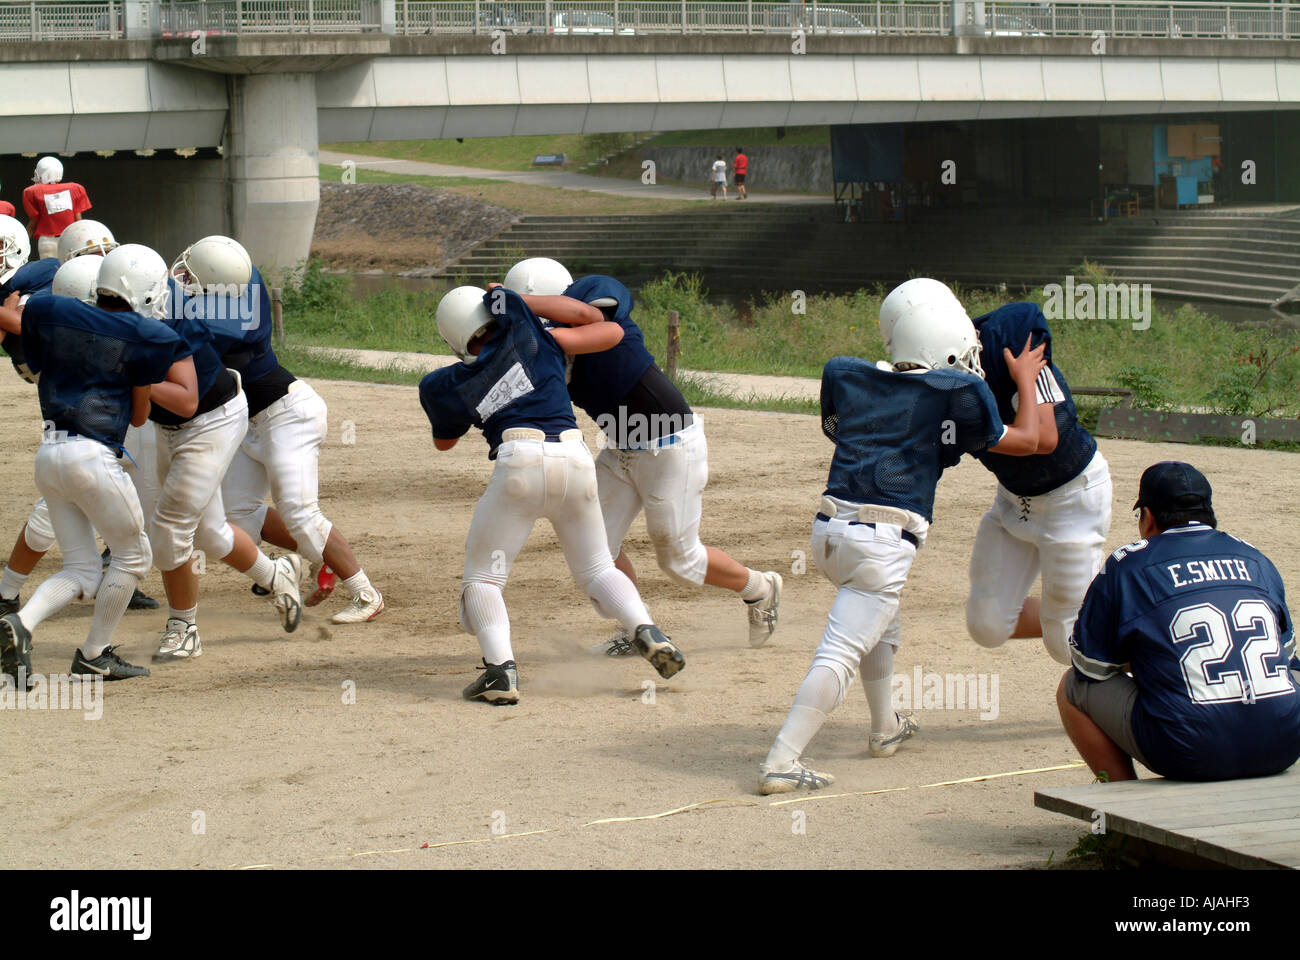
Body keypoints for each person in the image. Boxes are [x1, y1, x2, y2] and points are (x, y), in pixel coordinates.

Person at [758, 290, 1048, 795]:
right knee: (840, 652)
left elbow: (844, 430)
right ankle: (782, 760)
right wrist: (1025, 379)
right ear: (950, 348)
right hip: (882, 541)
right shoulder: (957, 394)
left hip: (829, 532)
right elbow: (1028, 442)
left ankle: (885, 727)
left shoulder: (852, 376)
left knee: (880, 625)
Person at [419, 283, 685, 704]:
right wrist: (509, 297)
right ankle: (645, 630)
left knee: (484, 577)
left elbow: (443, 442)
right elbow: (591, 319)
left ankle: (500, 672)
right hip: (575, 457)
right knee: (597, 568)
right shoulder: (528, 330)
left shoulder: (442, 383)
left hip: (519, 461)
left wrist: (480, 394)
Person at [503, 258, 783, 656]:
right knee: (592, 550)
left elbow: (588, 318)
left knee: (679, 559)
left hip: (669, 441)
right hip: (619, 447)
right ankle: (639, 629)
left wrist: (526, 311)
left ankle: (760, 588)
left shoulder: (593, 293)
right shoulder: (538, 346)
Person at [880, 286, 1112, 667]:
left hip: (1073, 497)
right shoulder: (930, 376)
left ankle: (1122, 611)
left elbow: (1046, 439)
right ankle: (1079, 615)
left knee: (1065, 644)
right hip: (1014, 501)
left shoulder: (1010, 340)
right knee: (987, 626)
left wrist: (1022, 379)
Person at [169, 235, 384, 624]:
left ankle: (365, 592)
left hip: (287, 415)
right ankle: (316, 557)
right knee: (237, 517)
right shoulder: (240, 280)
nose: (182, 278)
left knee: (301, 512)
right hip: (247, 422)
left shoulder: (224, 324)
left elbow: (187, 332)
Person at [0, 247, 185, 685]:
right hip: (93, 456)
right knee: (134, 555)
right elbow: (139, 417)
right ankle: (93, 654)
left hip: (49, 454)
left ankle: (19, 624)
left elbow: (14, 315)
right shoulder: (147, 336)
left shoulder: (49, 310)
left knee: (81, 569)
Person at [1060, 461, 1300, 782]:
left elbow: (1090, 667)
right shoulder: (1255, 556)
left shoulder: (1128, 564)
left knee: (1072, 687)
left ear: (1147, 516)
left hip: (1189, 753)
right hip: (1286, 744)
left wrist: (1150, 661)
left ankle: (1121, 805)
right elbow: (1286, 657)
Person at [139, 245, 303, 662]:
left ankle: (184, 627)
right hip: (172, 422)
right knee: (209, 533)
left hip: (210, 419)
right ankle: (276, 573)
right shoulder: (161, 289)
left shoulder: (196, 321)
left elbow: (185, 398)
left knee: (169, 528)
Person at [0, 220, 161, 616]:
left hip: (86, 408)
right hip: (96, 412)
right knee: (67, 504)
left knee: (117, 496)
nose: (104, 261)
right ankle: (9, 593)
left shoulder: (51, 283)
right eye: (94, 253)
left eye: (108, 251)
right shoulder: (56, 284)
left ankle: (111, 572)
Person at [21, 157, 90, 261]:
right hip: (70, 239)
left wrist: (21, 242)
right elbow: (78, 221)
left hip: (47, 241)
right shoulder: (75, 189)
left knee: (50, 272)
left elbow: (33, 224)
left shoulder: (33, 192)